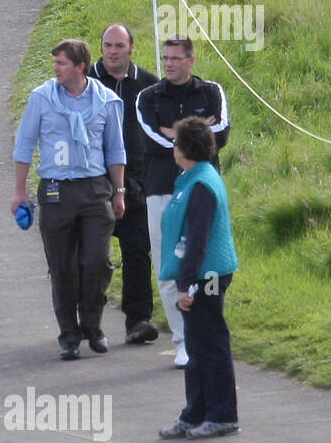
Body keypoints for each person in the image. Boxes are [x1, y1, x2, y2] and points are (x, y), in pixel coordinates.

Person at [12, 39, 127, 361]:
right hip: (55, 190)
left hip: (94, 189)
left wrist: (119, 192)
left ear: (80, 66)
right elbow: (24, 146)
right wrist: (19, 192)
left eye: (61, 63)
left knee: (95, 262)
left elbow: (115, 151)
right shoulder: (42, 98)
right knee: (62, 268)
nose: (55, 69)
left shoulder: (106, 101)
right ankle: (69, 334)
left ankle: (93, 325)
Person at [136, 36, 230, 366]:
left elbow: (221, 134)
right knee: (168, 266)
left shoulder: (212, 91)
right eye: (165, 58)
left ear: (191, 60)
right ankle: (182, 340)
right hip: (161, 189)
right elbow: (150, 139)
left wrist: (175, 132)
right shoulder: (148, 97)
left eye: (176, 58)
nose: (169, 64)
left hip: (202, 187)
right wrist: (195, 132)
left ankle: (206, 328)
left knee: (206, 259)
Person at [157, 117, 240, 440]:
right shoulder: (193, 178)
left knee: (210, 345)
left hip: (206, 276)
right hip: (200, 274)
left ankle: (222, 415)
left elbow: (197, 240)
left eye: (176, 142)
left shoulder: (201, 185)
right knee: (196, 345)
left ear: (185, 148)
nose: (173, 148)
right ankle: (194, 414)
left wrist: (187, 285)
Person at [88, 23, 159, 343]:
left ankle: (138, 320)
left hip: (136, 184)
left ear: (132, 47)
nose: (112, 52)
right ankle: (87, 320)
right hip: (91, 182)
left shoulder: (149, 86)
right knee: (90, 258)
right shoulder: (84, 81)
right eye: (107, 46)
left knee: (137, 251)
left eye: (119, 46)